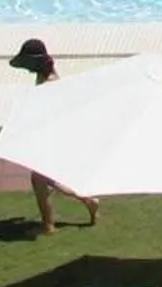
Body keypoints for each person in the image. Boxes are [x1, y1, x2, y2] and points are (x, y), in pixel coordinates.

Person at [8, 40, 99, 231]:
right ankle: (57, 219)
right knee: (43, 178)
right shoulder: (45, 76)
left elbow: (51, 112)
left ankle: (53, 222)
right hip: (49, 134)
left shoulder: (49, 83)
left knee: (40, 178)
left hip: (50, 136)